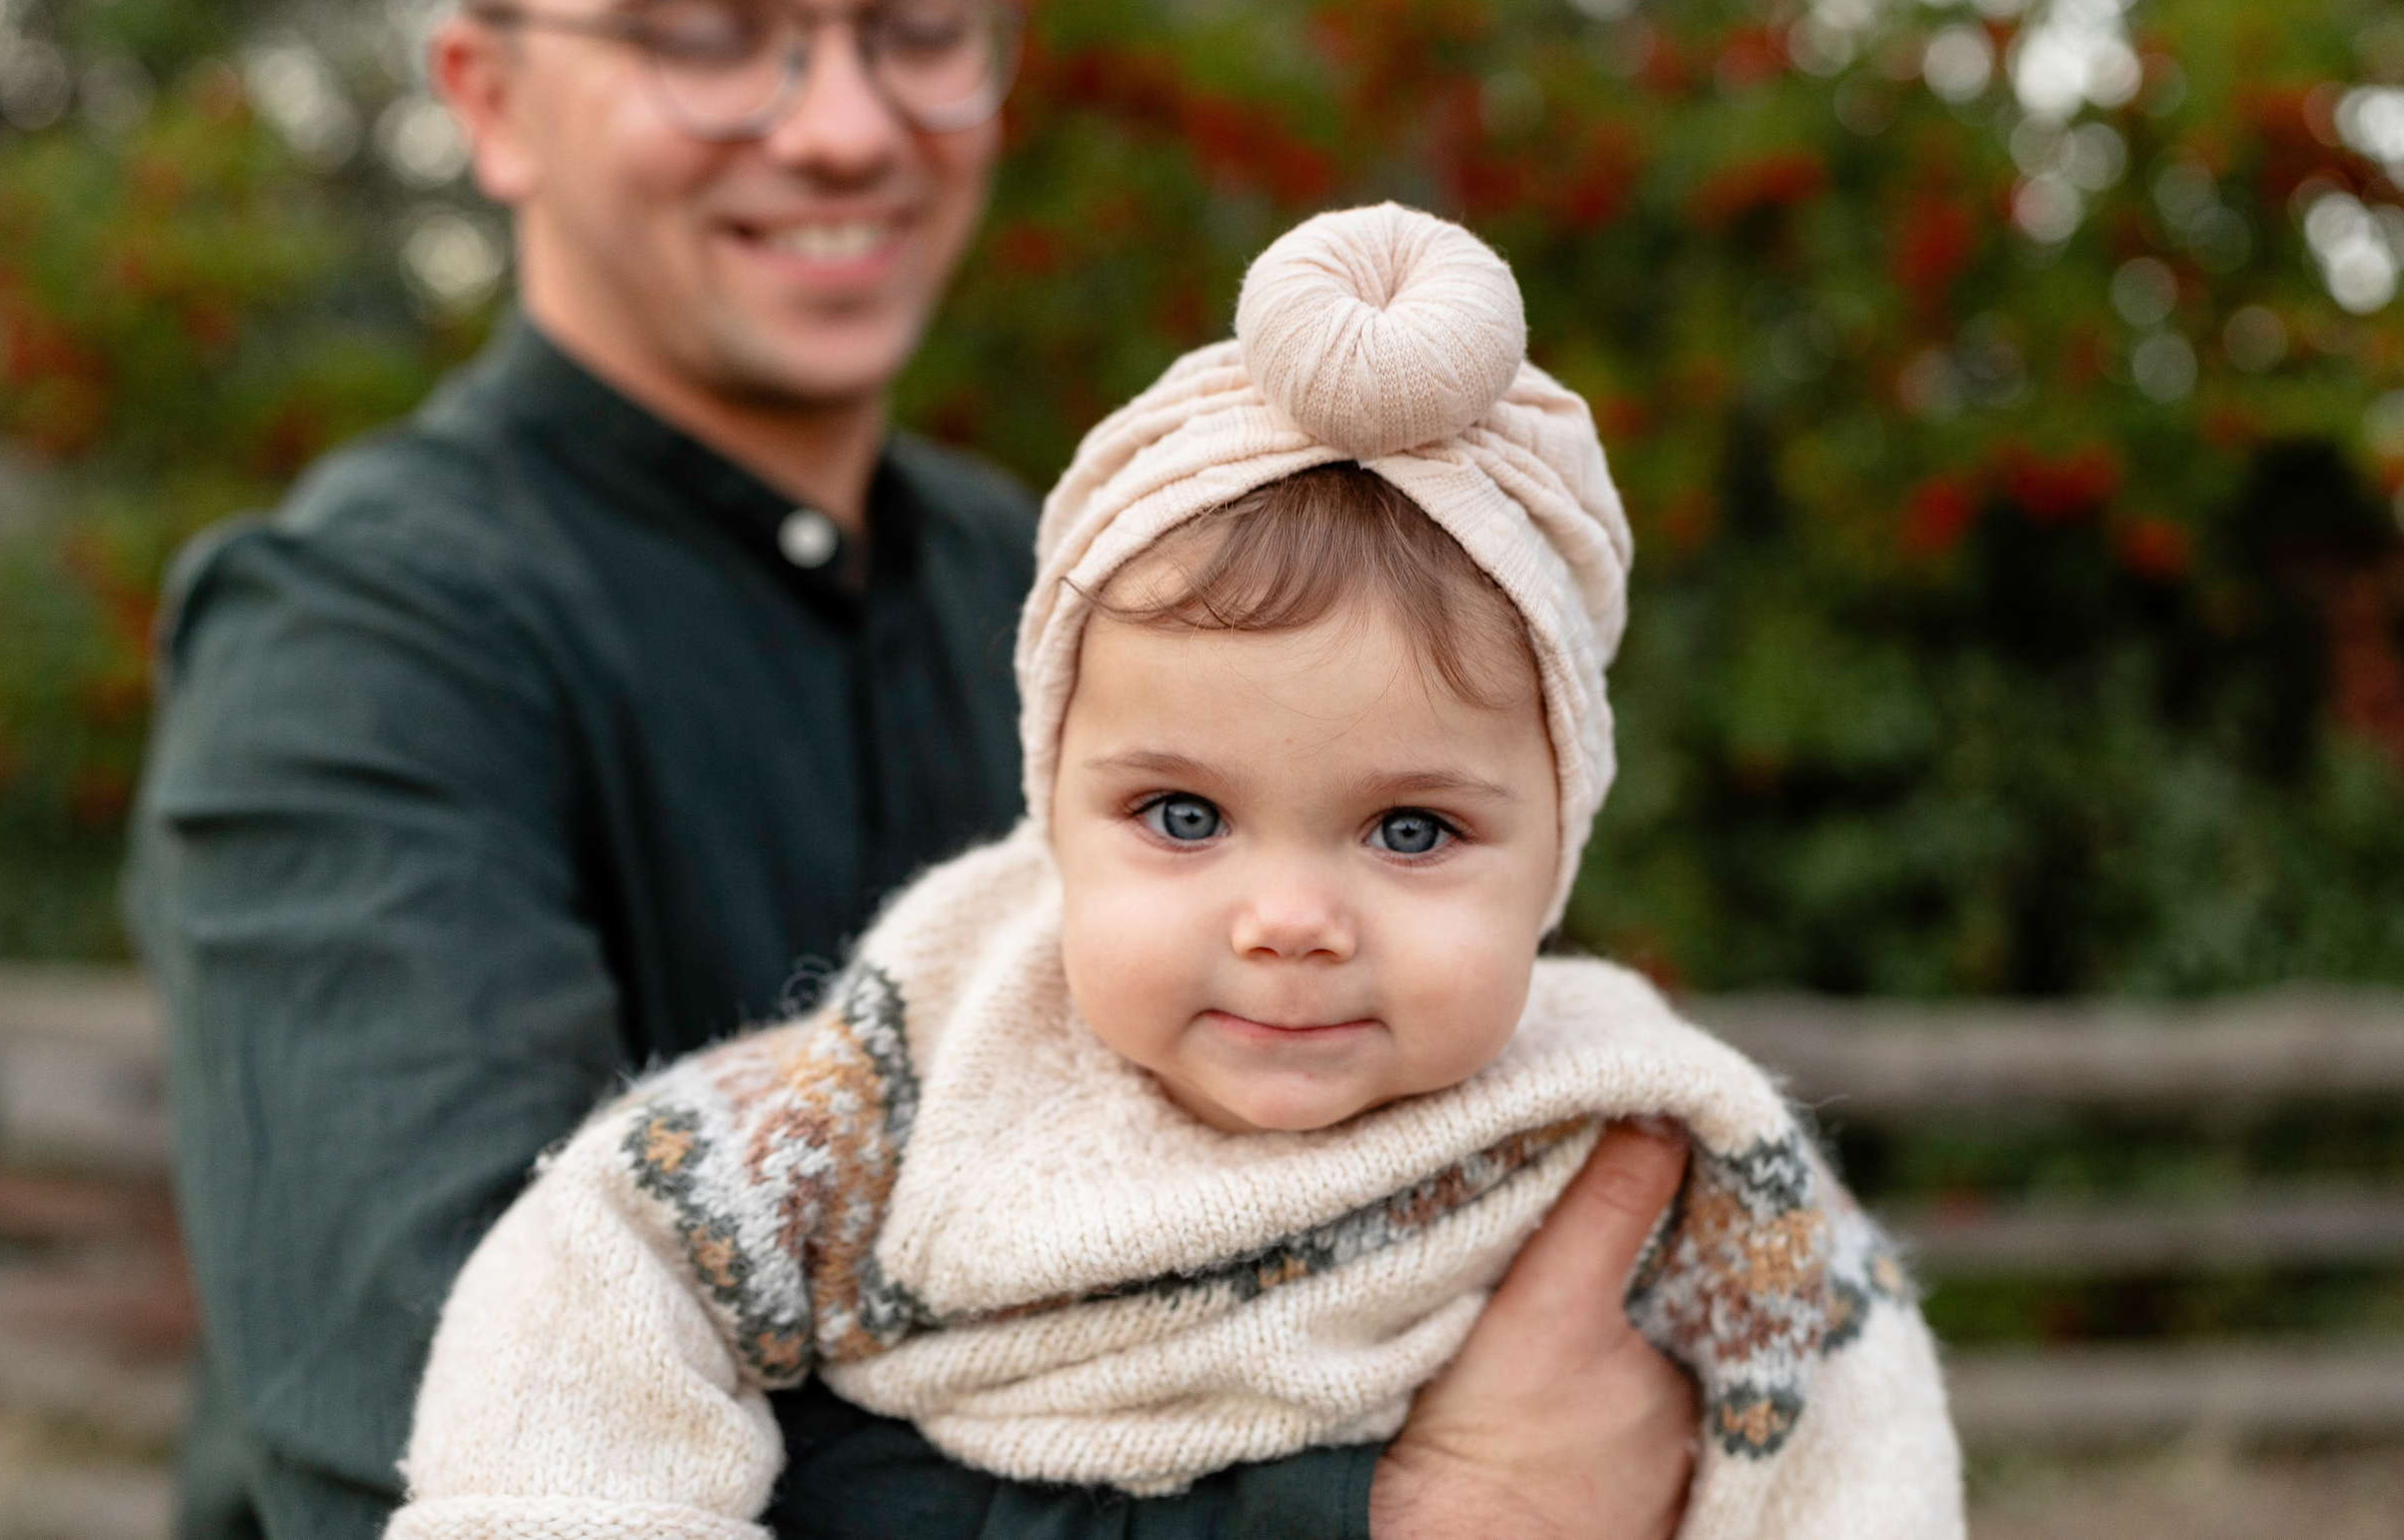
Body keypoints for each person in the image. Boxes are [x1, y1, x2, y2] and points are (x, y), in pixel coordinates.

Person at [124, 0, 1699, 1535]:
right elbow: (429, 1431)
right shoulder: (350, 643)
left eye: (919, 22)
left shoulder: (1067, 593)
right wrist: (1400, 1514)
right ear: (491, 95)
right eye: (710, 31)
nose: (846, 125)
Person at [382, 206, 1965, 1538]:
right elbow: (604, 1263)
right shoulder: (913, 1081)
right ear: (1051, 812)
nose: (1289, 923)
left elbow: (1853, 1440)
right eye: (1184, 818)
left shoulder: (1634, 1140)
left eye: (1412, 832)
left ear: (1558, 854)